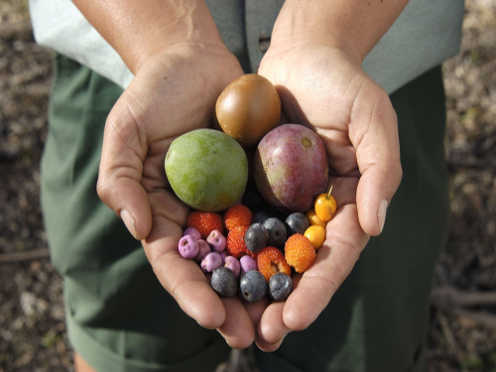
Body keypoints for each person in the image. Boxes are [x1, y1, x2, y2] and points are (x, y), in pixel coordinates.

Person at [29, 0, 464, 371]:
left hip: (372, 63)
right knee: (127, 341)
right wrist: (164, 38)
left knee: (364, 344)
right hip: (124, 56)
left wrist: (329, 34)